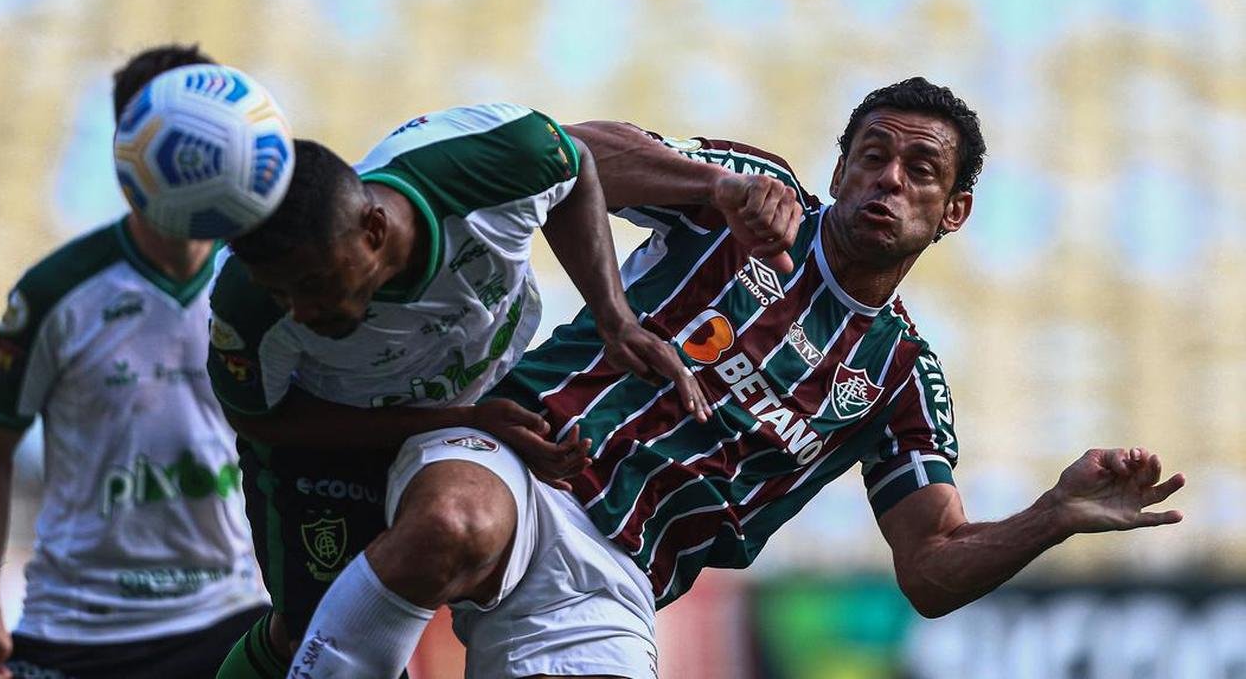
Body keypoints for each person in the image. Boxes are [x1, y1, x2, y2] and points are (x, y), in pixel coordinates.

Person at [290, 77, 1186, 679]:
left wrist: (1054, 516)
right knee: (453, 525)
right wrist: (709, 184)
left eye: (921, 172)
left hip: (615, 579)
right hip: (521, 459)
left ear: (952, 213)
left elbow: (930, 568)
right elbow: (566, 156)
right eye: (872, 155)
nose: (888, 179)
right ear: (839, 167)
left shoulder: (902, 378)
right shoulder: (756, 194)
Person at [207, 103, 797, 678]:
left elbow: (576, 169)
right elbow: (265, 422)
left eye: (314, 285)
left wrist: (614, 317)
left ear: (374, 228)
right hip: (328, 439)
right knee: (306, 634)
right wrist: (459, 419)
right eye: (284, 295)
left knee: (430, 552)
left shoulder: (497, 157)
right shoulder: (247, 303)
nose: (302, 311)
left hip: (462, 402)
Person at [0, 45, 269, 679]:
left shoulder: (261, 284)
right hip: (77, 628)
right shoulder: (56, 293)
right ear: (129, 150)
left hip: (228, 613)